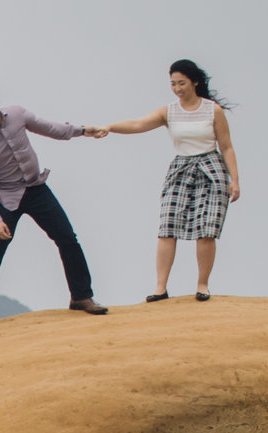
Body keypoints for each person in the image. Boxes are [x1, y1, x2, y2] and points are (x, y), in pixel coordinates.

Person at [0, 83, 111, 329]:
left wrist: (84, 130)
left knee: (67, 238)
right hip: (6, 197)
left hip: (36, 189)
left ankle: (82, 296)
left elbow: (52, 129)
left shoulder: (18, 115)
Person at [90, 60, 240, 301]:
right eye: (173, 84)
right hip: (181, 167)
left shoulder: (213, 110)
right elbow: (138, 124)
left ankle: (202, 285)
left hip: (211, 167)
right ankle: (160, 287)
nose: (177, 88)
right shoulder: (168, 111)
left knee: (207, 228)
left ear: (195, 82)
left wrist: (235, 180)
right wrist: (110, 127)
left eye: (181, 83)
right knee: (167, 226)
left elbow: (226, 146)